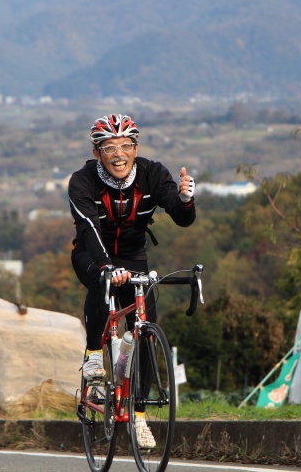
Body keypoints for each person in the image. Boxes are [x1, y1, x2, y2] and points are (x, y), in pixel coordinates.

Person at [69, 113, 195, 448]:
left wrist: (185, 200)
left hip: (134, 257)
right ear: (98, 153)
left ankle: (138, 415)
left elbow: (181, 217)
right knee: (102, 280)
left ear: (136, 148)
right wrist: (106, 268)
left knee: (144, 333)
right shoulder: (82, 181)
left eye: (126, 145)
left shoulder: (153, 173)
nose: (119, 153)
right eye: (109, 147)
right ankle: (94, 354)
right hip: (91, 253)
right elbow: (89, 229)